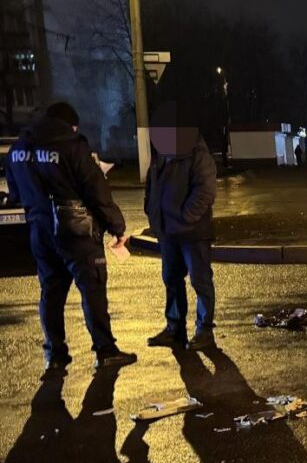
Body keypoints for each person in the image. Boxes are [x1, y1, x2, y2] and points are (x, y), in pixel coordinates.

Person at [5, 102, 137, 374]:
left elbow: (15, 192)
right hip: (76, 230)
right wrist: (117, 226)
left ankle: (55, 355)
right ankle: (105, 350)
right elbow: (95, 190)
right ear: (70, 124)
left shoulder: (19, 148)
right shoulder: (72, 144)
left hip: (40, 231)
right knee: (92, 289)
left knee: (51, 292)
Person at [144, 101, 218, 351]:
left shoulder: (198, 154)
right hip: (167, 231)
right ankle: (174, 328)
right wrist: (152, 214)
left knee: (200, 280)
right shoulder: (160, 155)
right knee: (171, 279)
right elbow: (151, 188)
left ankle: (204, 330)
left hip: (192, 232)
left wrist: (186, 216)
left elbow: (206, 190)